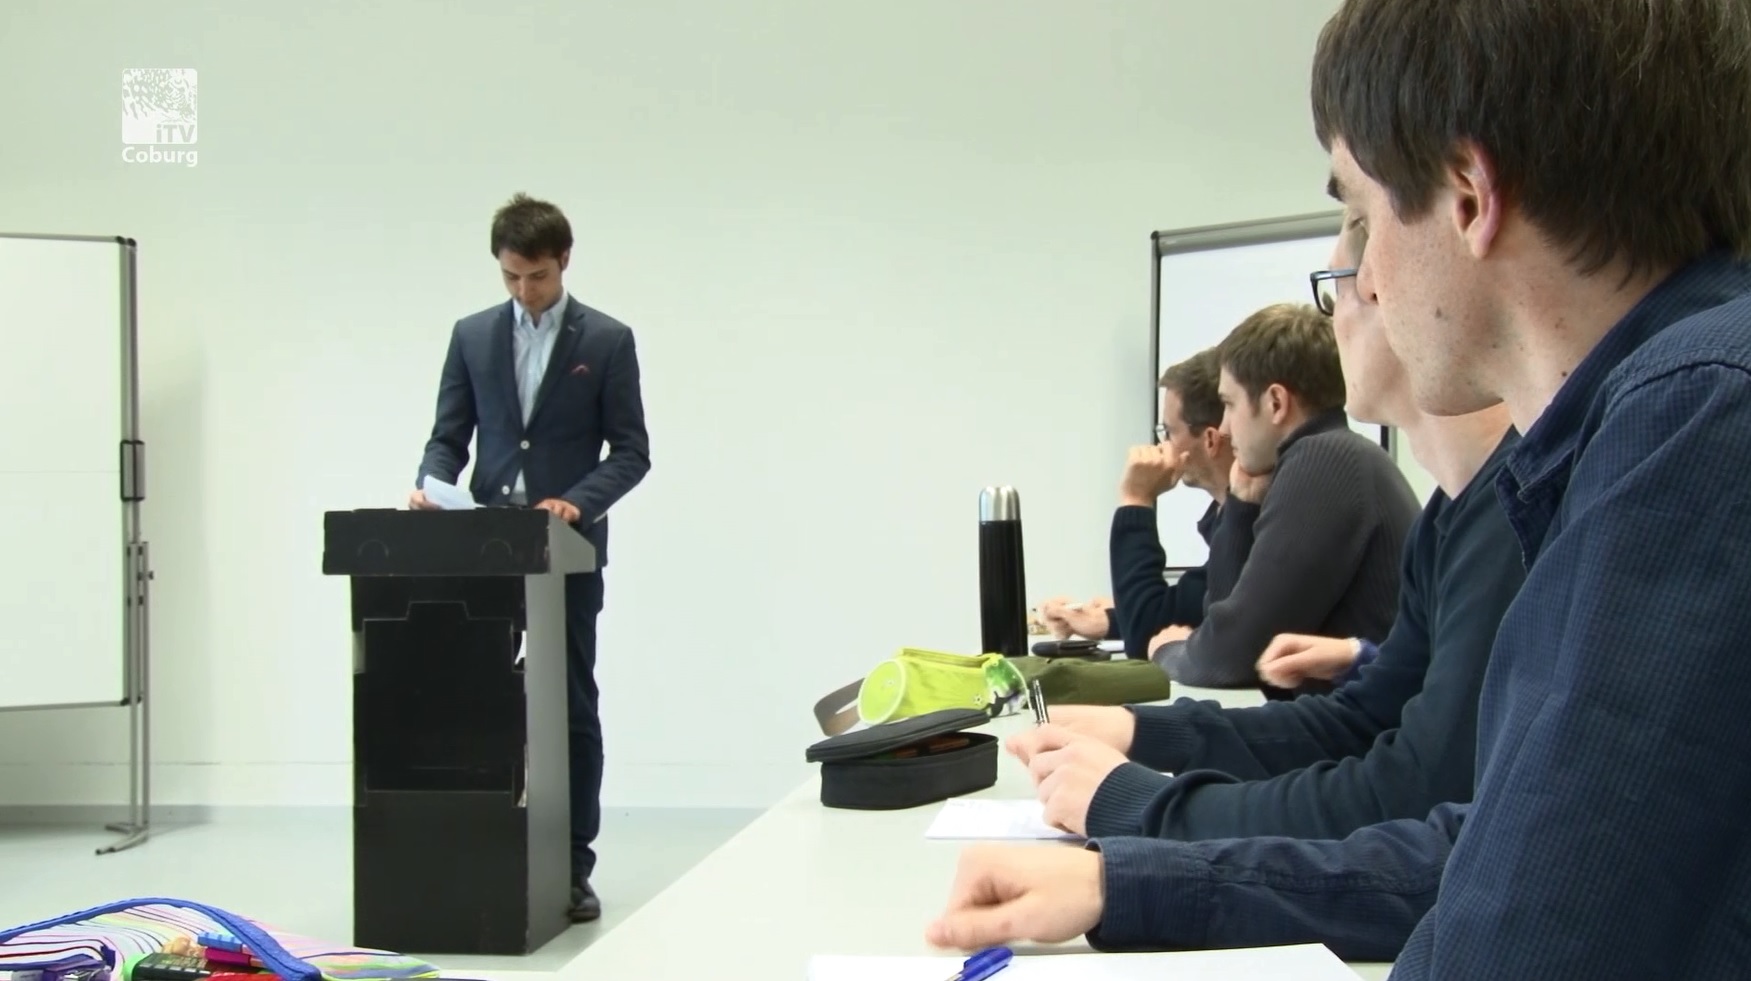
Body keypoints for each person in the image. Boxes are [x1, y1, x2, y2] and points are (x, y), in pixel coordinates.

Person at [927, 1, 1751, 973]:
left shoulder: (1696, 414)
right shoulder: (1663, 411)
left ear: (1464, 191)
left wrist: (1141, 822)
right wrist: (1132, 882)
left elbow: (1519, 941)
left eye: (1358, 213)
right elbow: (1499, 857)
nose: (1345, 269)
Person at [1002, 220, 1524, 846]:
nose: (1218, 426)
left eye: (1340, 290)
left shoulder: (1332, 461)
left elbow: (1410, 782)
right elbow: (1358, 720)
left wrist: (1148, 807)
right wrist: (1141, 731)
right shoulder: (1449, 513)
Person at [411, 193, 651, 923]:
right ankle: (479, 850)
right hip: (481, 544)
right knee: (478, 698)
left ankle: (574, 865)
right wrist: (431, 484)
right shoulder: (472, 335)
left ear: (564, 261)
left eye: (538, 276)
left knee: (569, 703)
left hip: (566, 550)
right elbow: (448, 434)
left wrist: (576, 500)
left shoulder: (606, 340)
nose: (525, 292)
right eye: (512, 276)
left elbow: (633, 451)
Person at [1148, 303, 1418, 697]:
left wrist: (1167, 652)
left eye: (1229, 404)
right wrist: (1240, 504)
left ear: (1275, 403)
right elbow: (1226, 624)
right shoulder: (1328, 456)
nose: (1222, 427)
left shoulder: (1325, 460)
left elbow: (1230, 657)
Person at [1039, 348, 1254, 657]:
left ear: (1209, 439)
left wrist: (1136, 500)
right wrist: (1109, 621)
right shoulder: (1230, 519)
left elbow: (1146, 635)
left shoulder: (1250, 525)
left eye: (1168, 431)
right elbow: (1188, 611)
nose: (1161, 444)